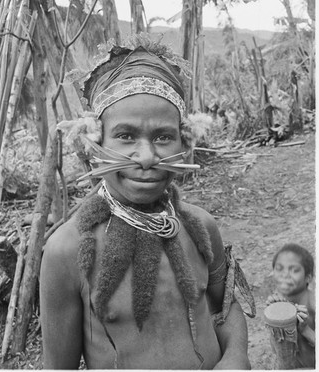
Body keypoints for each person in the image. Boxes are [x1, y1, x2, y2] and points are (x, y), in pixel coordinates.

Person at [40, 40, 251, 369]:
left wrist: (236, 356)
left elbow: (225, 308)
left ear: (185, 141)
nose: (147, 157)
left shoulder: (202, 227)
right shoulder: (66, 251)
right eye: (125, 136)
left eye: (163, 137)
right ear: (95, 142)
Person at [266, 243, 315, 368]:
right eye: (279, 268)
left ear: (308, 277)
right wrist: (275, 322)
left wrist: (306, 330)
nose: (285, 274)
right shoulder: (278, 302)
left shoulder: (314, 304)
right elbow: (276, 350)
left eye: (294, 270)